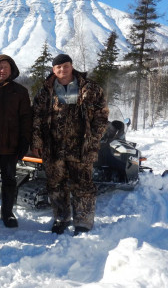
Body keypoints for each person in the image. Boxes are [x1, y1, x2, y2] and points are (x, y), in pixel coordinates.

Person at [32, 53, 108, 236]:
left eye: (65, 66)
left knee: (83, 185)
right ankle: (61, 218)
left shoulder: (90, 88)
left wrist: (94, 138)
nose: (62, 70)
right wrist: (37, 142)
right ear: (53, 70)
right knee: (56, 185)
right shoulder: (44, 92)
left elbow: (102, 116)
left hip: (81, 147)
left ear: (71, 66)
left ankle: (83, 222)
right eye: (58, 67)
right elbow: (35, 118)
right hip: (53, 147)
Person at [0, 54, 33, 228]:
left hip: (11, 145)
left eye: (6, 67)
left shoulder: (20, 91)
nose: (2, 70)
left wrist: (25, 141)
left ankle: (7, 213)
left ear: (12, 70)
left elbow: (26, 118)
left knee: (9, 180)